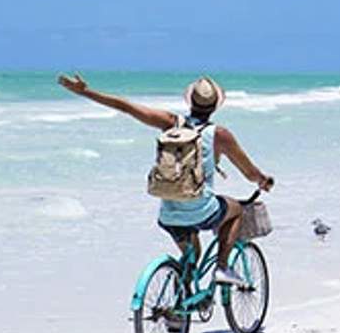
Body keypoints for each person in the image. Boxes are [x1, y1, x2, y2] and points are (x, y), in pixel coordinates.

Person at [56, 72, 274, 287]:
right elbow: (250, 173)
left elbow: (127, 107)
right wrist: (263, 180)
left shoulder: (171, 123)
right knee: (235, 209)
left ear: (190, 102)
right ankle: (222, 267)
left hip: (169, 213)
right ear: (216, 104)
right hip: (202, 209)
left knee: (192, 255)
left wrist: (85, 92)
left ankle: (178, 309)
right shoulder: (220, 135)